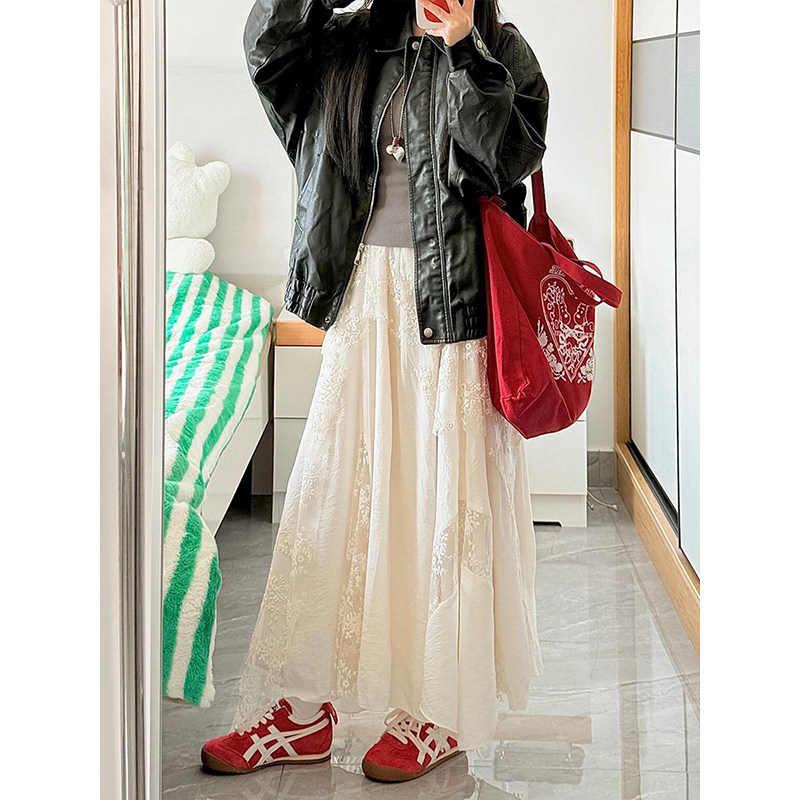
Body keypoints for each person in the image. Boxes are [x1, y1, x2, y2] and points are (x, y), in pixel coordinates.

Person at [201, 0, 549, 783]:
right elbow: (267, 48)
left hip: (453, 312)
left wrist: (463, 50)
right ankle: (303, 708)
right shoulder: (345, 42)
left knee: (440, 499)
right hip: (361, 301)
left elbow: (503, 159)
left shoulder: (498, 47)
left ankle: (436, 712)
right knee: (331, 494)